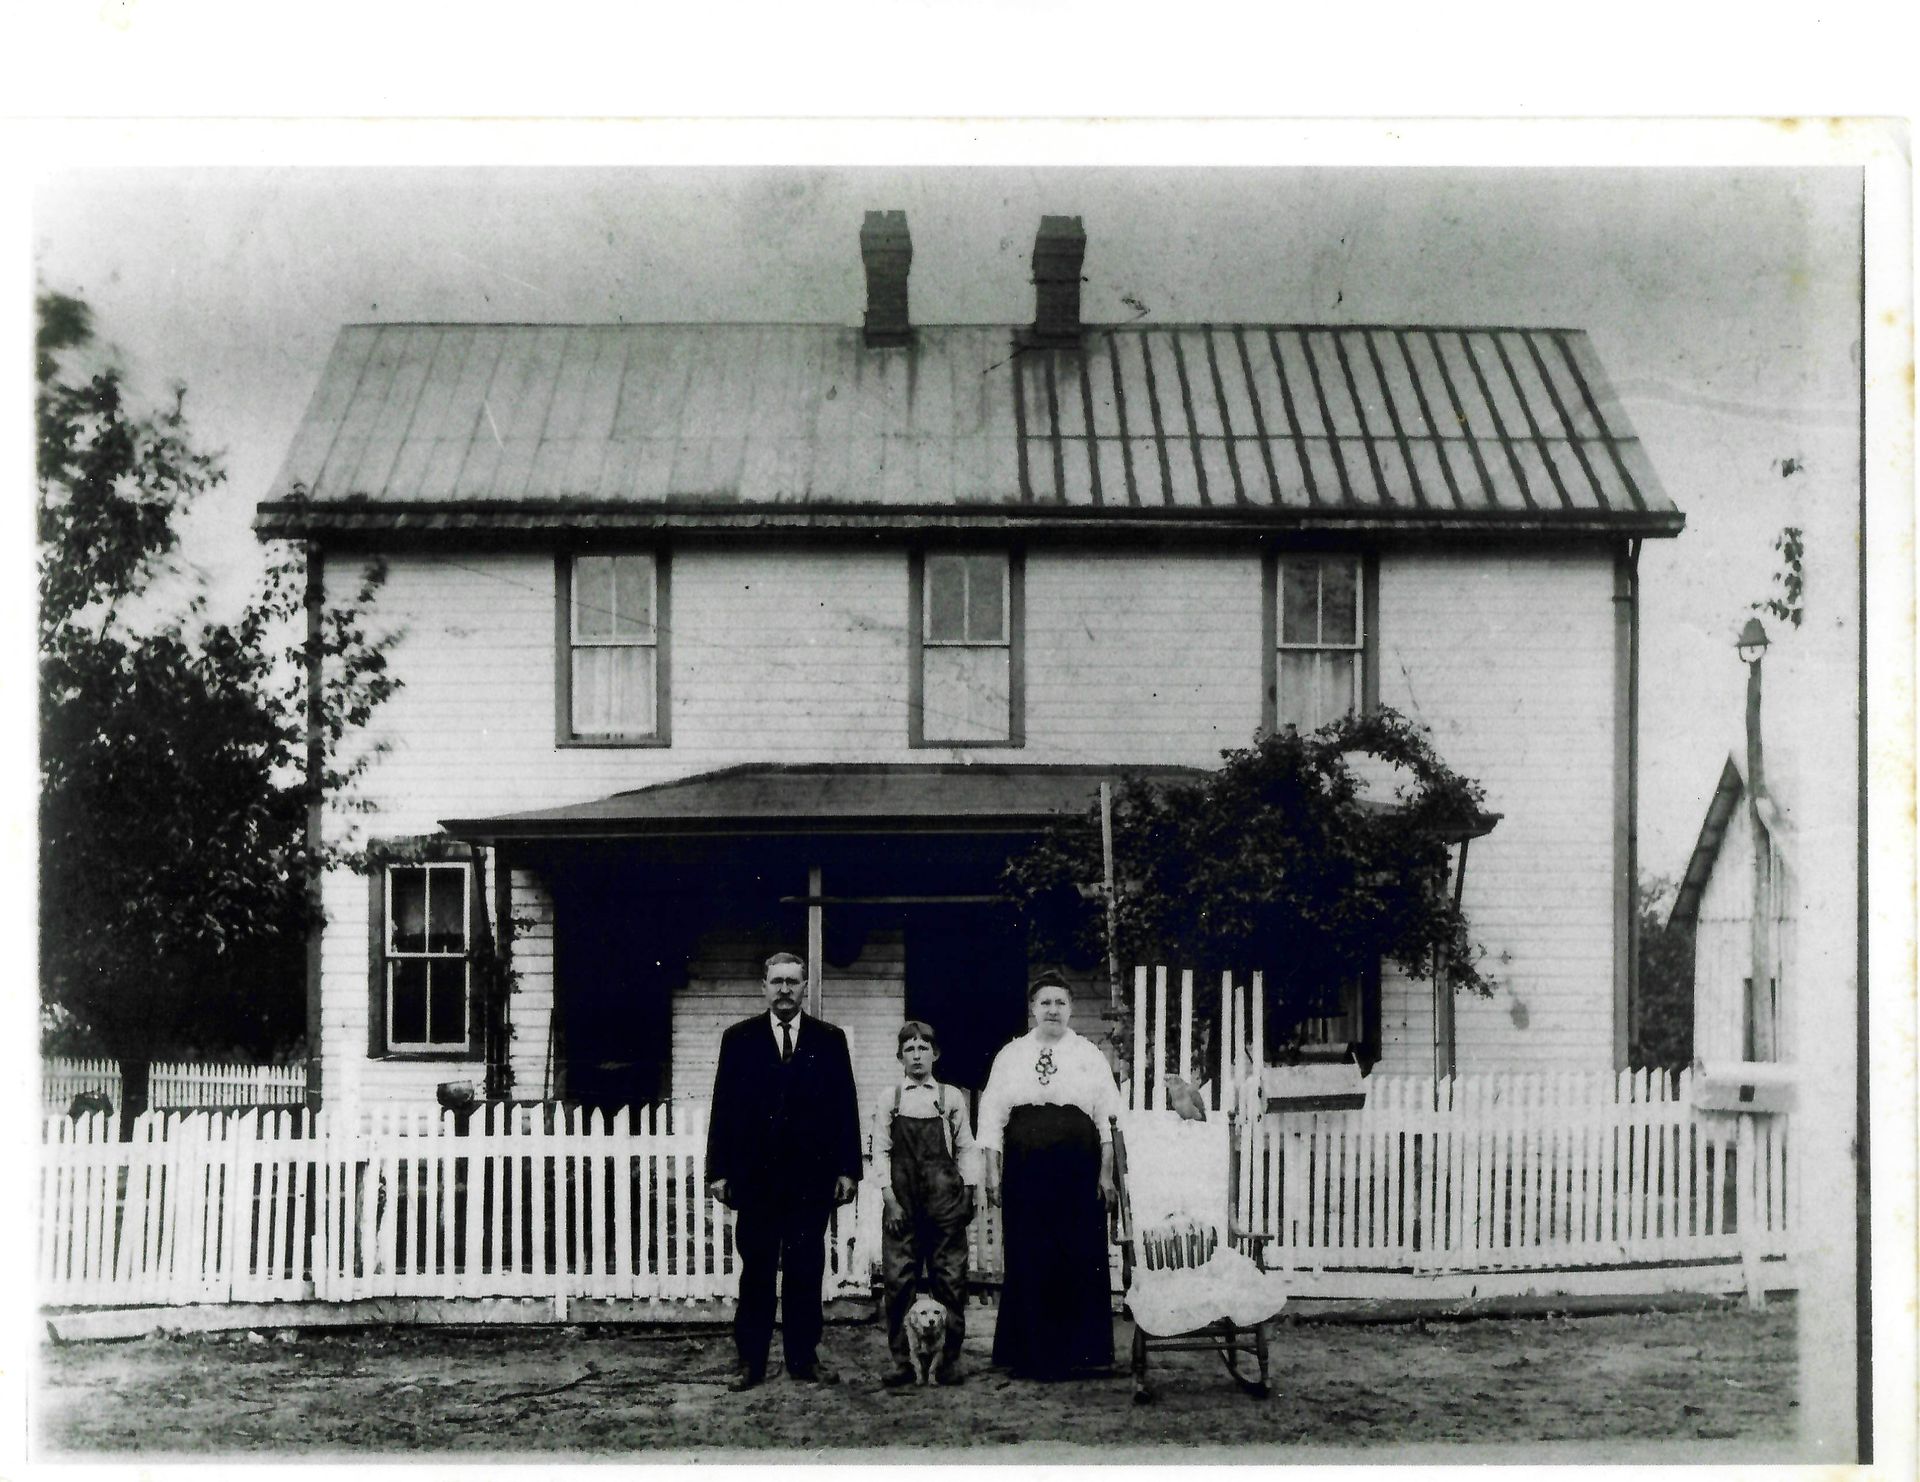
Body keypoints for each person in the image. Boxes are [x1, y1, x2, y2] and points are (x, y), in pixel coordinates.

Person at [705, 951, 862, 1391]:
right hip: (756, 1179)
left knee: (805, 1269)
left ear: (805, 988)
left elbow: (845, 1107)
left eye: (793, 982)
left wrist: (848, 1169)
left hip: (810, 1180)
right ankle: (750, 1362)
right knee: (756, 1269)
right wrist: (719, 1170)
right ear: (764, 987)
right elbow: (723, 1107)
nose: (785, 990)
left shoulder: (829, 1040)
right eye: (777, 982)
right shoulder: (739, 1039)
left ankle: (803, 1357)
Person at [976, 970, 1121, 1380]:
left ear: (1071, 1008)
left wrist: (1105, 1175)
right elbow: (992, 1118)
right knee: (1030, 1254)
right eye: (1045, 1003)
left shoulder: (1089, 1054)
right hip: (1026, 1171)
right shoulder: (1011, 1055)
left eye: (1060, 1002)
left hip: (1078, 1169)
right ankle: (1030, 1355)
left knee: (1078, 1254)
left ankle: (1083, 1355)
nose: (1053, 1010)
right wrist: (992, 1173)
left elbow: (1108, 1121)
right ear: (1032, 1009)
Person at [875, 1020, 978, 1388]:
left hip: (944, 1204)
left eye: (923, 1049)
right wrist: (890, 1201)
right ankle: (903, 1362)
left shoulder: (951, 1098)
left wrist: (967, 1194)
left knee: (950, 1281)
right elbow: (880, 1151)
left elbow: (966, 1148)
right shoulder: (891, 1099)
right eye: (909, 1049)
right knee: (898, 1281)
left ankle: (948, 1361)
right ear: (900, 1056)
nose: (916, 1056)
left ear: (935, 1054)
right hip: (902, 1204)